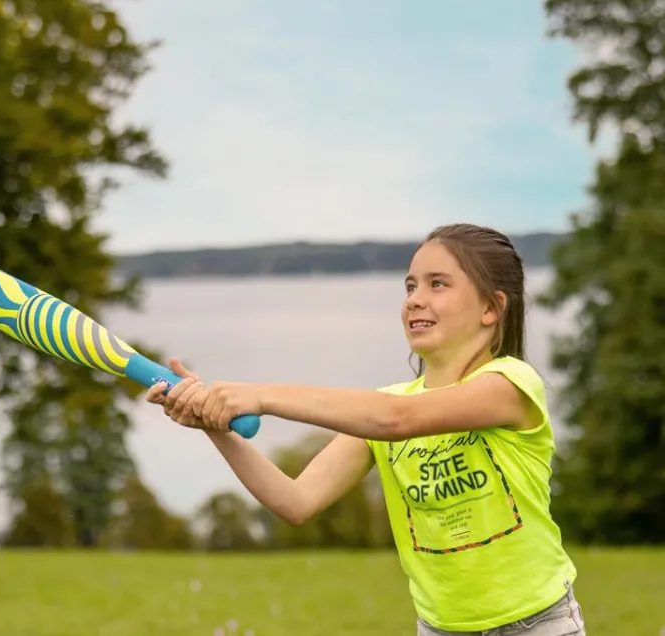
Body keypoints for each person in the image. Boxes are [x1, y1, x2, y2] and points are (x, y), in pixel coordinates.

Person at [145, 223, 586, 635]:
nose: (415, 298)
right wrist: (215, 426)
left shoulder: (509, 385)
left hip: (538, 624)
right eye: (410, 285)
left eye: (438, 283)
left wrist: (260, 395)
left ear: (491, 308)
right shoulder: (387, 405)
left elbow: (397, 420)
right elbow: (296, 502)